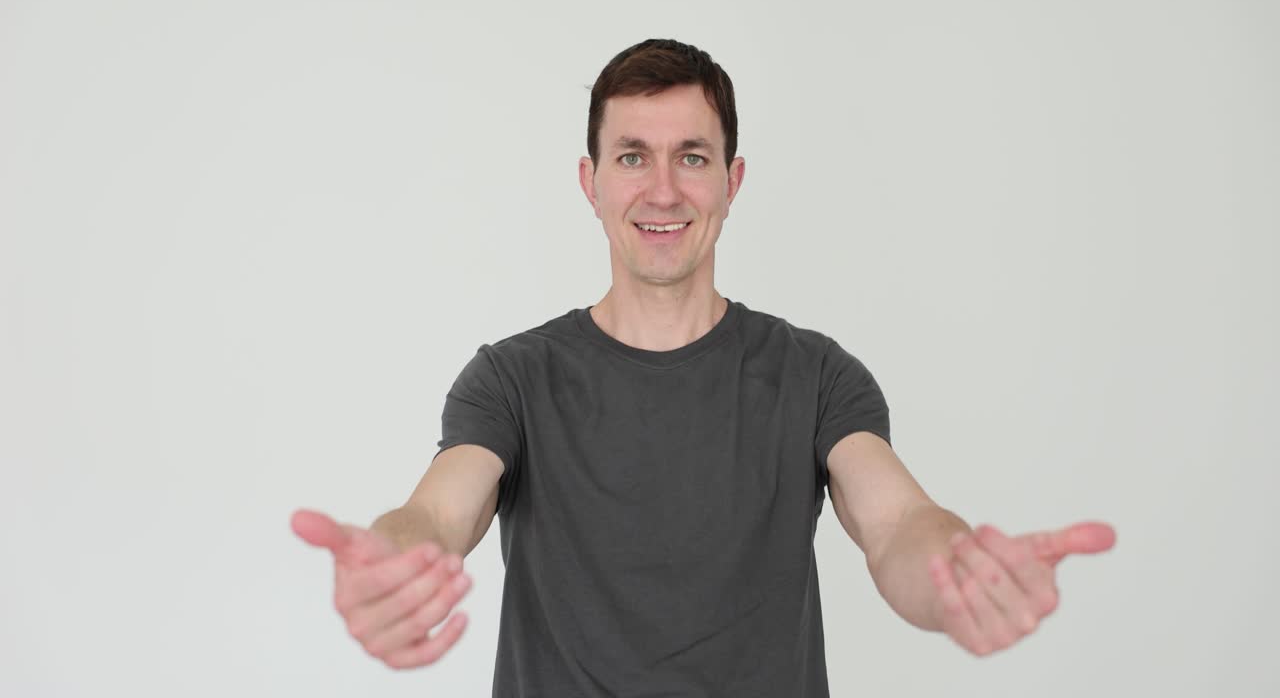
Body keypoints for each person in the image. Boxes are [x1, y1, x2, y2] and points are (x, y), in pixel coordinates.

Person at [291, 38, 1117, 695]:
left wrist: (957, 577)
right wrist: (393, 557)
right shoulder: (511, 378)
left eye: (691, 156)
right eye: (630, 157)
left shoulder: (815, 374)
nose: (662, 191)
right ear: (590, 182)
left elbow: (898, 525)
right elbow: (437, 515)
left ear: (732, 180)